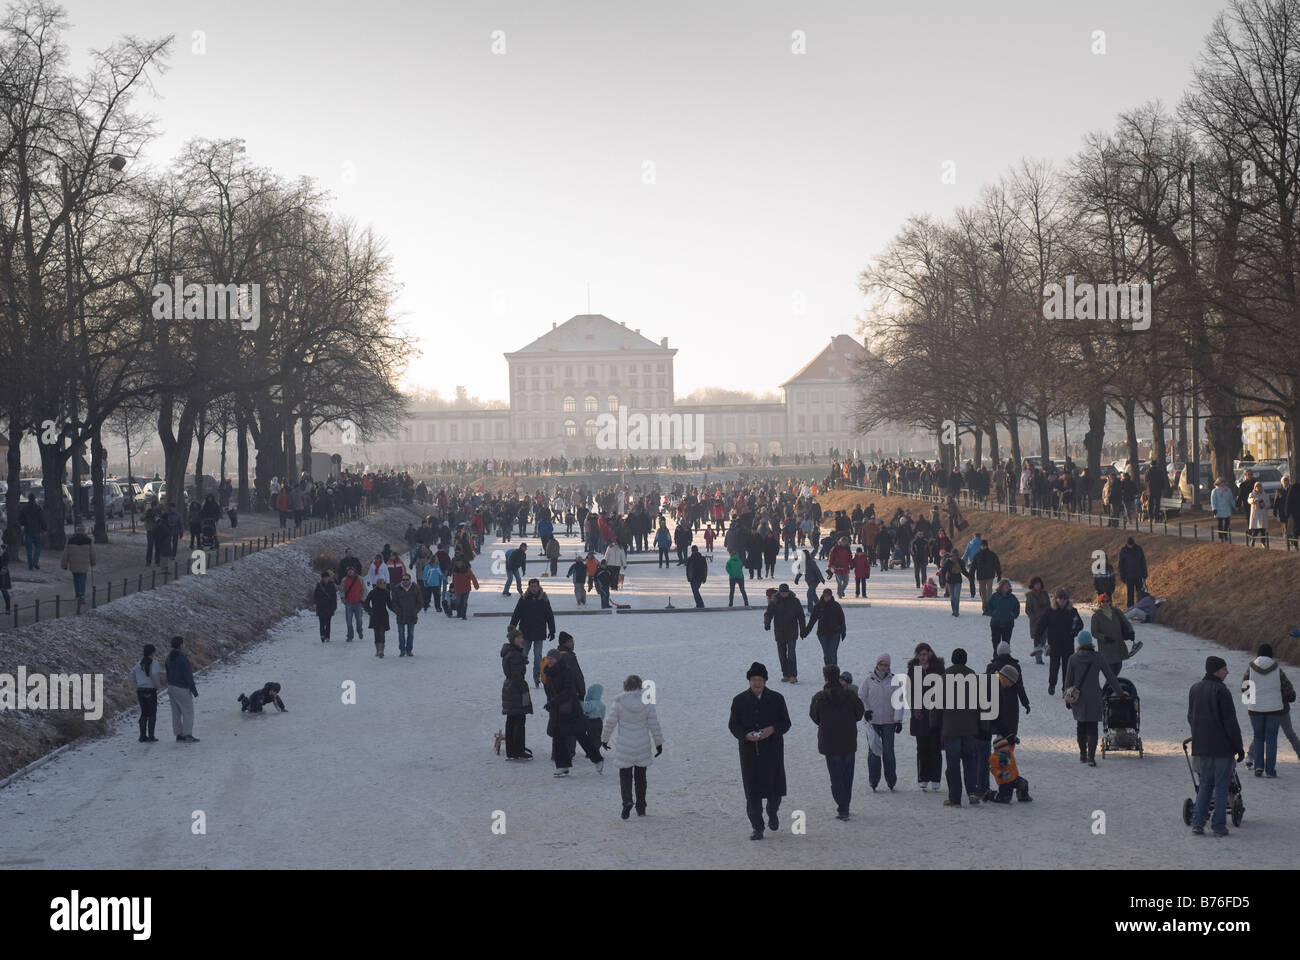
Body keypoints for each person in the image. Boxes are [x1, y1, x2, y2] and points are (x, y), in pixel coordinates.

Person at [728, 662, 792, 840]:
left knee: (775, 790)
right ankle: (757, 827)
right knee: (752, 792)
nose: (757, 683)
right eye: (754, 680)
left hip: (772, 751)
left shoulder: (777, 698)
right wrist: (746, 735)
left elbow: (786, 723)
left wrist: (772, 729)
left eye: (760, 680)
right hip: (750, 753)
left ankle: (772, 811)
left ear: (765, 681)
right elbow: (733, 725)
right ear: (749, 681)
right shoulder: (739, 700)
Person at [1188, 656, 1245, 836]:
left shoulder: (1195, 689)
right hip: (1222, 748)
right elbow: (1230, 722)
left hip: (1202, 747)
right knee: (1221, 787)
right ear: (1215, 671)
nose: (1227, 672)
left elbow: (1191, 717)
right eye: (1224, 669)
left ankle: (1198, 822)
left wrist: (1199, 736)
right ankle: (1218, 826)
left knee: (1205, 784)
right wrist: (1239, 747)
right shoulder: (1222, 691)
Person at [601, 674, 664, 819]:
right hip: (642, 745)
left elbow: (610, 723)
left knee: (625, 776)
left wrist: (604, 739)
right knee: (641, 777)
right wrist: (658, 743)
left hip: (625, 745)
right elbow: (654, 724)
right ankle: (641, 806)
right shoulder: (647, 703)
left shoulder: (619, 702)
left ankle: (627, 801)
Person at [809, 664, 865, 820]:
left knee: (836, 777)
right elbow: (859, 713)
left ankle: (842, 807)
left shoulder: (819, 697)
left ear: (825, 677)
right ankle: (845, 805)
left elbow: (814, 717)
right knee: (848, 775)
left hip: (829, 742)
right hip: (848, 740)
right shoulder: (850, 695)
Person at [541, 647, 603, 777]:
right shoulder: (548, 672)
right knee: (558, 737)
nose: (549, 661)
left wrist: (553, 702)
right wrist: (551, 703)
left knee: (580, 735)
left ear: (557, 659)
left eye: (551, 658)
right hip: (557, 710)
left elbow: (568, 691)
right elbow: (550, 691)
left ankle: (597, 759)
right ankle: (562, 766)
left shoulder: (567, 671)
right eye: (548, 658)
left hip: (571, 710)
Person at [1062, 630, 1121, 766]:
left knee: (1081, 726)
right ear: (1090, 643)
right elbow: (1110, 677)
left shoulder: (1073, 659)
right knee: (1092, 727)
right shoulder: (1098, 657)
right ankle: (1091, 757)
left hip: (1078, 698)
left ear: (1079, 643)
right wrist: (1120, 692)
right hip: (1095, 697)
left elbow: (1068, 681)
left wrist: (1067, 698)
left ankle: (1083, 754)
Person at [1241, 643, 1294, 778]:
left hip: (1255, 710)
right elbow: (1287, 687)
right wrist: (1290, 697)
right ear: (1271, 654)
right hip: (1274, 709)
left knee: (1258, 737)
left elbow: (1244, 687)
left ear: (1258, 654)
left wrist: (1252, 700)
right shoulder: (1277, 668)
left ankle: (1258, 766)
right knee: (1271, 739)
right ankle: (1270, 771)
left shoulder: (1251, 667)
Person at [940, 648, 982, 806]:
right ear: (965, 659)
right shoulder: (973, 677)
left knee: (953, 764)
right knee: (970, 761)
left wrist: (934, 723)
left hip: (951, 728)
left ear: (952, 659)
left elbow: (936, 703)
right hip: (970, 728)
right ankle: (972, 792)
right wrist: (982, 725)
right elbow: (981, 703)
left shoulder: (944, 677)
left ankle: (955, 797)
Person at [860, 653, 905, 792]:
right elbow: (862, 697)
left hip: (889, 722)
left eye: (886, 665)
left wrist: (898, 720)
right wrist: (865, 711)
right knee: (873, 752)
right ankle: (873, 780)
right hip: (873, 722)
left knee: (888, 752)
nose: (884, 667)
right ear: (877, 664)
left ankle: (891, 780)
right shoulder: (868, 680)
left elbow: (899, 701)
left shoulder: (895, 681)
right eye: (881, 664)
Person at [1033, 588, 1084, 696]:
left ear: (1067, 600)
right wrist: (1037, 636)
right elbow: (1041, 624)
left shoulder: (1072, 611)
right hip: (1054, 644)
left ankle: (1065, 688)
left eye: (1064, 598)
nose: (1062, 600)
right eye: (1060, 598)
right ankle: (1052, 684)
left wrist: (1074, 632)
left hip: (1068, 644)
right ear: (1056, 599)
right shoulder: (1050, 611)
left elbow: (1080, 624)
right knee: (1054, 667)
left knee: (1067, 668)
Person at [508, 578, 556, 687]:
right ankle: (519, 676)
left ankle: (537, 677)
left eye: (535, 586)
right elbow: (517, 614)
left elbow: (549, 615)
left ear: (539, 587)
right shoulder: (524, 598)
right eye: (532, 586)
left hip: (539, 632)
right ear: (529, 587)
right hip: (525, 633)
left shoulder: (543, 599)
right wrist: (512, 627)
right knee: (522, 656)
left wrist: (552, 631)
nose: (534, 588)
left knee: (538, 657)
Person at [1090, 593, 1141, 690]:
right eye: (1103, 601)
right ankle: (1108, 690)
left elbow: (1126, 623)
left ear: (1110, 602)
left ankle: (1110, 688)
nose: (1105, 603)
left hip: (1118, 645)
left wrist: (1131, 632)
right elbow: (1094, 632)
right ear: (1100, 603)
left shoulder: (1116, 611)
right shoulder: (1096, 616)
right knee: (1110, 671)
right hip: (1106, 649)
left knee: (1117, 667)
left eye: (1107, 601)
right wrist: (1104, 638)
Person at [500, 626, 533, 761]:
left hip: (510, 689)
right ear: (513, 640)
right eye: (519, 638)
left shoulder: (512, 652)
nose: (522, 640)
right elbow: (517, 676)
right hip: (516, 690)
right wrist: (524, 690)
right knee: (519, 720)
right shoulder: (514, 655)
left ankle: (512, 751)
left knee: (512, 720)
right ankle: (518, 750)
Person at [764, 583, 807, 683]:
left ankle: (793, 675)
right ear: (779, 592)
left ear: (788, 592)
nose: (784, 594)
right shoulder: (774, 601)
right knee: (782, 655)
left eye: (786, 592)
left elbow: (801, 616)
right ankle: (786, 674)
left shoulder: (795, 601)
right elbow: (768, 613)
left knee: (791, 654)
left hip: (792, 632)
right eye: (782, 593)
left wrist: (803, 629)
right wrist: (767, 623)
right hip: (779, 632)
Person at [165, 636, 199, 742]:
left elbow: (167, 671)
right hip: (182, 688)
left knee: (175, 712)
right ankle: (187, 734)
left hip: (171, 687)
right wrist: (194, 690)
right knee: (188, 712)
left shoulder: (169, 657)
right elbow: (188, 675)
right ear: (181, 645)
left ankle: (178, 734)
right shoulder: (183, 658)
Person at [803, 588, 846, 667]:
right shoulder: (818, 606)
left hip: (835, 633)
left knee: (832, 653)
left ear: (831, 596)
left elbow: (842, 619)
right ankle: (828, 673)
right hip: (822, 634)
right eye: (825, 596)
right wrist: (806, 632)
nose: (827, 598)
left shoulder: (836, 605)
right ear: (823, 596)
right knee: (826, 654)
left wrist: (843, 631)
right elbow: (812, 621)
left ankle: (834, 673)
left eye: (828, 596)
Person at [60, 523, 95, 612]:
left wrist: (64, 564)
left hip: (74, 564)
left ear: (76, 530)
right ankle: (81, 596)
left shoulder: (70, 540)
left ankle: (77, 595)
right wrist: (93, 562)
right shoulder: (88, 540)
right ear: (84, 531)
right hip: (84, 564)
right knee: (82, 580)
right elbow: (92, 553)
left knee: (76, 579)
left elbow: (65, 553)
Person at [130, 643, 161, 743]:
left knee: (144, 713)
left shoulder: (138, 664)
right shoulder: (155, 663)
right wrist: (157, 686)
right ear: (153, 652)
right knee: (152, 713)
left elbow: (131, 676)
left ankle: (142, 736)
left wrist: (138, 683)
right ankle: (151, 736)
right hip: (151, 690)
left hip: (140, 690)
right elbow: (155, 676)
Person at [988, 735, 1031, 804]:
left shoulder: (1009, 752)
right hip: (1005, 781)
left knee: (1024, 784)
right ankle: (991, 795)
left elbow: (1011, 746)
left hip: (1014, 777)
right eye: (1004, 746)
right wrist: (1000, 774)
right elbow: (993, 769)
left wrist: (1014, 741)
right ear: (998, 748)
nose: (1007, 747)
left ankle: (1022, 796)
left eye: (1007, 745)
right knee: (1005, 799)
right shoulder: (994, 758)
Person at [982, 579, 1020, 654]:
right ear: (1001, 587)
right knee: (995, 641)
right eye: (1006, 586)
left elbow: (1017, 608)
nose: (1007, 587)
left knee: (1006, 642)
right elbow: (987, 607)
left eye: (1008, 586)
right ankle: (996, 657)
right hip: (996, 623)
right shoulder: (994, 596)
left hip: (1008, 623)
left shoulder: (1012, 597)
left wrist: (1013, 615)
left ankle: (1006, 657)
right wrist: (993, 613)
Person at [389, 571, 422, 656]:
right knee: (401, 634)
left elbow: (420, 602)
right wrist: (397, 611)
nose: (405, 581)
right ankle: (402, 650)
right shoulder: (396, 588)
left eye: (407, 579)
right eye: (403, 579)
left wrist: (415, 611)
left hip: (412, 614)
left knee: (410, 634)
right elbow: (393, 602)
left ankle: (409, 650)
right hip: (401, 615)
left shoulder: (415, 588)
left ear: (410, 580)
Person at [1023, 576, 1051, 666]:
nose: (1038, 586)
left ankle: (1042, 652)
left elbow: (1049, 606)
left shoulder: (1045, 594)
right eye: (1036, 584)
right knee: (1037, 640)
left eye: (1039, 584)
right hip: (1035, 622)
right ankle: (1038, 659)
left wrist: (1048, 616)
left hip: (1045, 620)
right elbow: (1028, 609)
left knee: (1044, 639)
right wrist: (1034, 617)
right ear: (1033, 585)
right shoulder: (1030, 596)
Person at [1117, 537, 1148, 607]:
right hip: (1129, 577)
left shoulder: (1139, 549)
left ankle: (1141, 607)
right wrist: (1122, 576)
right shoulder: (1123, 551)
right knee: (1130, 594)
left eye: (1132, 545)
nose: (1130, 546)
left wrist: (1145, 574)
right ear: (1127, 544)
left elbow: (1143, 562)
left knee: (1140, 594)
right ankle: (1130, 609)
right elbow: (1121, 565)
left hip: (1138, 576)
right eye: (1129, 545)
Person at [364, 578, 391, 657]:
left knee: (382, 633)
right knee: (376, 633)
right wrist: (369, 610)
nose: (385, 584)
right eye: (383, 583)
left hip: (383, 615)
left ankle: (381, 651)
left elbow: (390, 604)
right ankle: (377, 650)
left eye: (385, 583)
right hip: (374, 615)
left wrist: (397, 611)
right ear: (379, 584)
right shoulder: (372, 592)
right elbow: (366, 603)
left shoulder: (387, 592)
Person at [19, 492, 46, 570]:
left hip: (27, 530)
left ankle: (30, 565)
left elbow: (20, 519)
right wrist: (44, 528)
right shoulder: (38, 508)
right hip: (37, 530)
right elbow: (42, 519)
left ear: (28, 499)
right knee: (38, 547)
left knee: (29, 549)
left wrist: (24, 524)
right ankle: (35, 562)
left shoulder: (24, 508)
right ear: (34, 499)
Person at [448, 551, 479, 620]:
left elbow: (472, 577)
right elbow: (454, 579)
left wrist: (476, 585)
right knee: (458, 602)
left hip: (466, 588)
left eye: (460, 563)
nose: (458, 564)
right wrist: (453, 585)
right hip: (458, 589)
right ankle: (459, 613)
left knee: (464, 602)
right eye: (457, 563)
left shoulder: (467, 569)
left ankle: (464, 615)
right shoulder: (455, 570)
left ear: (462, 563)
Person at [938, 550, 967, 617]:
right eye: (953, 555)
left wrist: (970, 576)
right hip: (950, 581)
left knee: (956, 597)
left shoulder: (960, 562)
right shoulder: (948, 562)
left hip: (958, 581)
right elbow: (943, 571)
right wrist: (943, 581)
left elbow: (964, 571)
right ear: (951, 555)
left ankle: (956, 611)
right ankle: (954, 610)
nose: (955, 557)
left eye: (956, 555)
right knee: (952, 597)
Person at [313, 570, 337, 641]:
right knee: (322, 622)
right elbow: (315, 596)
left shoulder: (332, 585)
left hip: (329, 607)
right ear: (322, 578)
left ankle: (327, 636)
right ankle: (322, 635)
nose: (326, 579)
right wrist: (317, 603)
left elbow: (334, 596)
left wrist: (334, 606)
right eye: (324, 578)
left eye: (327, 577)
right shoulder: (319, 585)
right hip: (321, 607)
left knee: (328, 622)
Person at [1247, 482, 1270, 547]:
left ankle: (1263, 543)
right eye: (1257, 487)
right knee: (1256, 530)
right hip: (1256, 515)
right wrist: (1253, 500)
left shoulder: (1265, 494)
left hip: (1263, 514)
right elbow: (1249, 500)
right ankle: (1252, 541)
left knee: (1263, 530)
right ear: (1255, 488)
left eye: (1260, 487)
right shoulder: (1252, 494)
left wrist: (1265, 504)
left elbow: (1269, 504)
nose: (1259, 488)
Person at [1210, 476, 1234, 541]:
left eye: (1223, 482)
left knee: (1227, 523)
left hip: (1226, 509)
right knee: (1220, 524)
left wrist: (1234, 506)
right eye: (1221, 482)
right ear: (1218, 482)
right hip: (1219, 510)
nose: (1222, 483)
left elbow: (1231, 499)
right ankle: (1220, 535)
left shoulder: (1228, 490)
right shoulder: (1214, 491)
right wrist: (1214, 509)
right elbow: (1213, 501)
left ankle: (1225, 535)